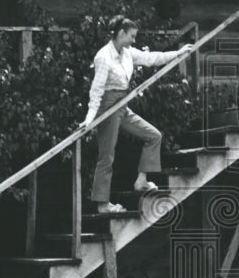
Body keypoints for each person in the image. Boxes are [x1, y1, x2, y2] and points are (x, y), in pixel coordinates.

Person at [81, 17, 192, 214]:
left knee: (154, 136)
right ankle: (102, 205)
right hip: (108, 106)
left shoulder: (127, 53)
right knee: (106, 156)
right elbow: (96, 91)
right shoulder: (103, 57)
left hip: (123, 105)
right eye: (131, 36)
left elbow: (151, 59)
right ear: (121, 33)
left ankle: (141, 180)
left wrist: (178, 54)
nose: (134, 40)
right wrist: (89, 120)